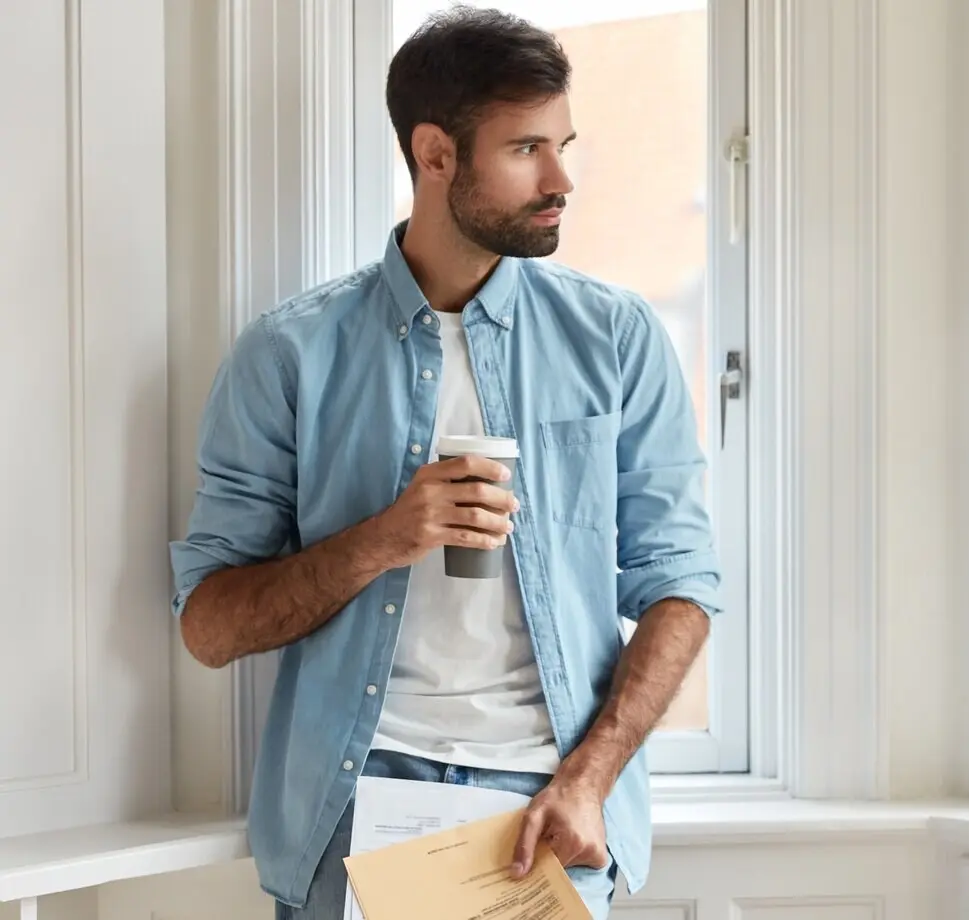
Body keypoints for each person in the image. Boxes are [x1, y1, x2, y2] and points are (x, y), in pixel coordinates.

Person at [168, 6, 722, 918]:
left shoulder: (617, 339)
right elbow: (210, 626)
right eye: (526, 149)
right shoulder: (289, 354)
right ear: (435, 155)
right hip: (354, 810)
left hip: (550, 810)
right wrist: (385, 538)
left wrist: (590, 778)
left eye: (563, 145)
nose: (561, 179)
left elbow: (683, 585)